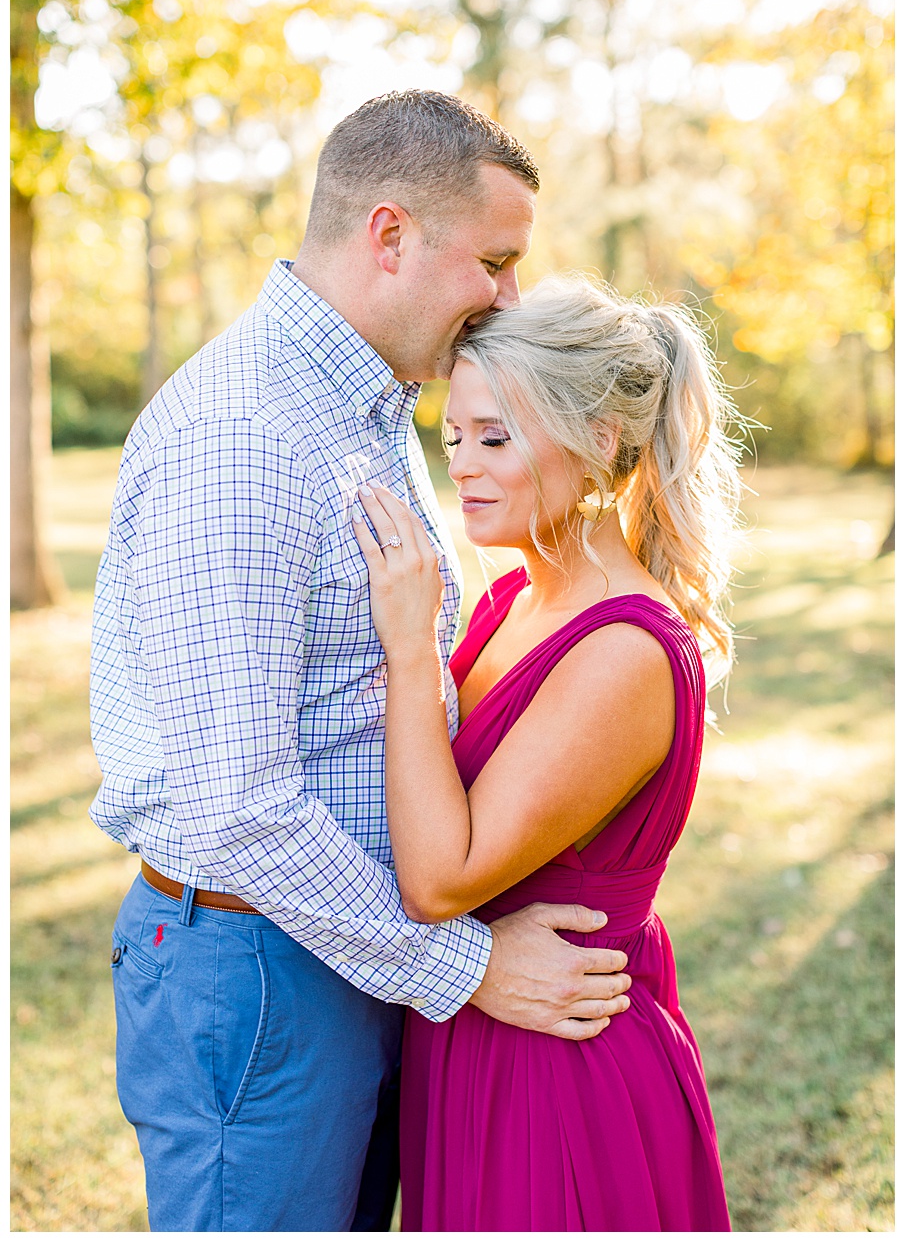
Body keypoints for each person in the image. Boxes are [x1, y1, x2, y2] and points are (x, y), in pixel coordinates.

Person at [89, 91, 635, 1231]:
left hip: (352, 952)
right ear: (390, 236)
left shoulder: (366, 406)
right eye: (493, 260)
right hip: (258, 967)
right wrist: (466, 969)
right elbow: (237, 806)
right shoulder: (244, 436)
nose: (509, 297)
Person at [352, 273, 740, 1228]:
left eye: (496, 437)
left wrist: (409, 652)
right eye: (453, 439)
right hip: (469, 1037)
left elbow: (442, 880)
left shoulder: (624, 652)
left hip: (560, 1066)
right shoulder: (504, 606)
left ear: (599, 441)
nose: (464, 468)